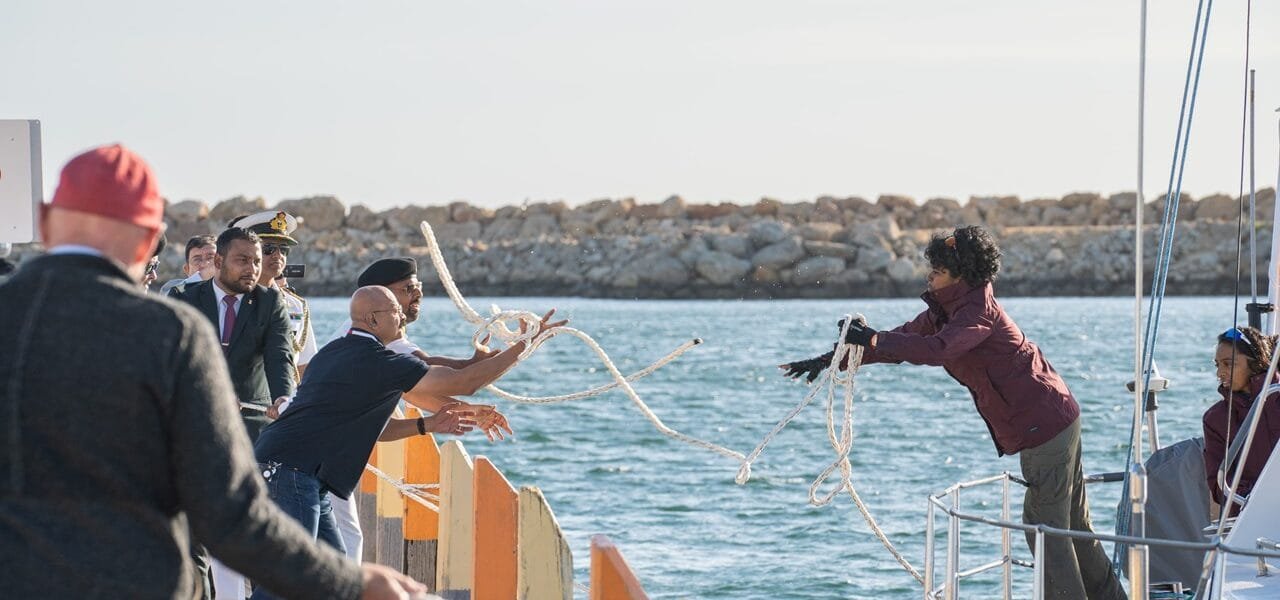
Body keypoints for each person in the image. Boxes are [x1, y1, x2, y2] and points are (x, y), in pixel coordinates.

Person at [0, 143, 425, 599]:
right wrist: (351, 582)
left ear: (45, 222)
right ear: (149, 241)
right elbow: (229, 516)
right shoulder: (174, 335)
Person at [781, 225, 1125, 600]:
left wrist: (874, 337)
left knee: (1045, 526)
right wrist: (831, 359)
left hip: (1044, 426)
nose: (929, 275)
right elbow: (901, 343)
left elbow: (939, 349)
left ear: (961, 274)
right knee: (1070, 525)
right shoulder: (949, 310)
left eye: (938, 270)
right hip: (1054, 416)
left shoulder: (976, 313)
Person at [249, 286, 565, 600]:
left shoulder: (334, 353)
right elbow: (465, 384)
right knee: (291, 581)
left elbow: (374, 429)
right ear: (373, 319)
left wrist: (427, 425)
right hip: (290, 471)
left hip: (292, 469)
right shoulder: (379, 361)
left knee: (336, 576)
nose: (402, 315)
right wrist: (526, 344)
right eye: (394, 311)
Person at [172, 227, 295, 442]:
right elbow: (176, 358)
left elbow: (279, 356)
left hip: (252, 426)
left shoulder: (270, 303)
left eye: (256, 261)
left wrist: (282, 397)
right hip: (193, 420)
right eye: (243, 260)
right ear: (218, 262)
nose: (252, 269)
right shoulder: (184, 299)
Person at [1204, 326, 1280, 516]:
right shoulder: (1215, 419)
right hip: (1252, 517)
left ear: (1255, 362)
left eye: (1228, 364)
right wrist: (1256, 496)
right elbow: (1218, 483)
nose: (1220, 373)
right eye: (1217, 365)